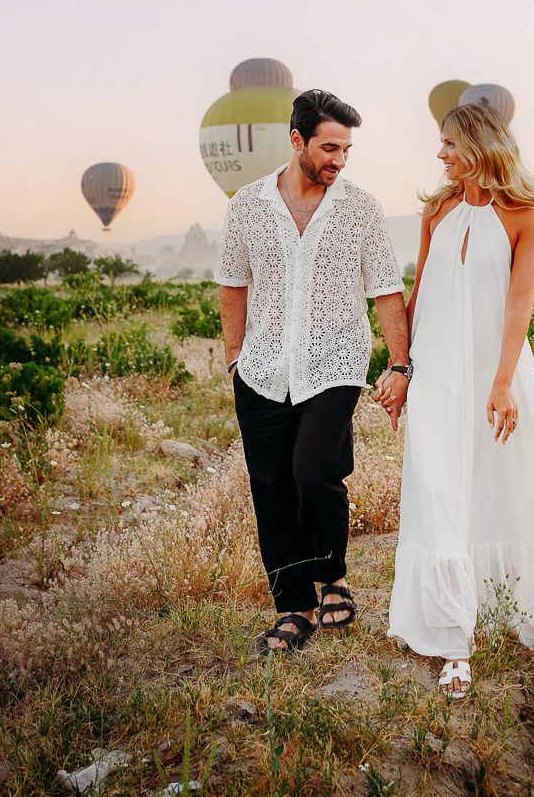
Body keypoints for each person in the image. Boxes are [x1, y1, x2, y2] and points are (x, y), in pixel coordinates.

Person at [376, 103, 534, 698]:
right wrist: (400, 368)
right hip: (434, 371)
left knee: (505, 484)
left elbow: (519, 305)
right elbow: (420, 291)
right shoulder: (437, 210)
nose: (440, 155)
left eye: (450, 144)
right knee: (437, 487)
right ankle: (454, 640)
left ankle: (506, 607)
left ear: (480, 144)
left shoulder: (526, 217)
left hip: (495, 372)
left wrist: (503, 382)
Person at [215, 89, 409, 653]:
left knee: (314, 472)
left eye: (346, 149)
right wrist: (235, 358)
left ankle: (333, 576)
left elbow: (387, 291)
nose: (340, 160)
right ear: (297, 140)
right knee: (270, 486)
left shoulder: (360, 208)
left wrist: (400, 364)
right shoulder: (248, 204)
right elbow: (233, 282)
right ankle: (293, 606)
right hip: (262, 367)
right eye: (329, 147)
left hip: (335, 362)